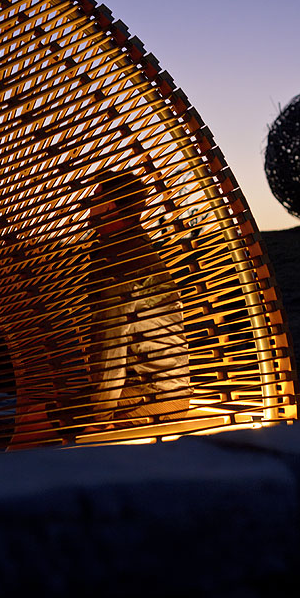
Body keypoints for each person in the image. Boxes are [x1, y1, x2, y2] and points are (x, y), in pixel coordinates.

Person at [79, 170, 192, 431]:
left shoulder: (122, 260)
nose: (89, 206)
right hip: (161, 391)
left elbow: (111, 345)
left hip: (156, 397)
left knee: (62, 425)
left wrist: (99, 419)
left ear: (109, 206)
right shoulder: (135, 249)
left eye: (94, 196)